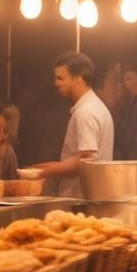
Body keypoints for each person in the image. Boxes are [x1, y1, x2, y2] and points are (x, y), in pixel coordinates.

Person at [32, 52, 114, 197]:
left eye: (60, 78)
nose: (55, 83)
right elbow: (82, 156)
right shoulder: (95, 106)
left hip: (81, 200)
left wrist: (44, 172)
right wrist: (52, 166)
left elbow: (86, 160)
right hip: (91, 196)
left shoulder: (85, 112)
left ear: (78, 80)